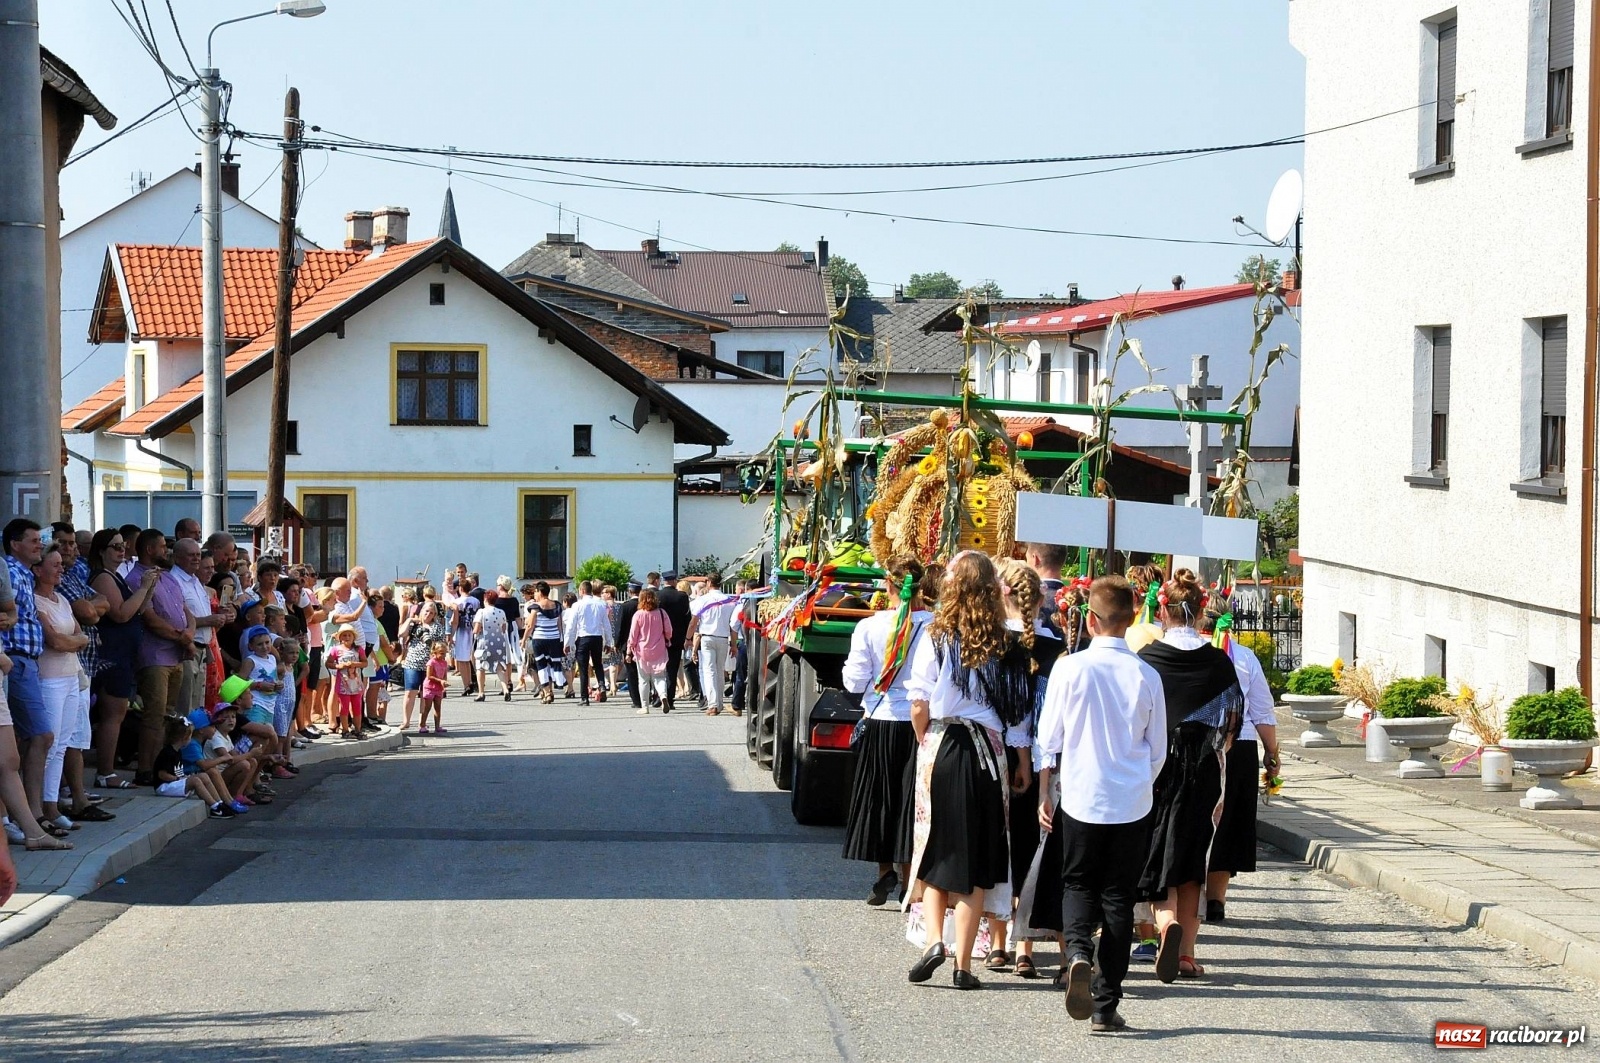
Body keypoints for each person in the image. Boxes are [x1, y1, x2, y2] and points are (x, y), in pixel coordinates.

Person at [1036, 575, 1167, 1033]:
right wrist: (1137, 784)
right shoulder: (1147, 675)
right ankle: (1106, 1002)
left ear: (1090, 620)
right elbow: (1158, 749)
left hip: (1080, 794)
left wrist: (1045, 791)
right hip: (1130, 800)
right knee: (1118, 899)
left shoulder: (1069, 669)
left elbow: (1047, 740)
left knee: (1077, 885)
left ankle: (1076, 953)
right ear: (1131, 621)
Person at [904, 551, 1035, 991]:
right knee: (977, 856)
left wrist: (925, 739)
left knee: (938, 845)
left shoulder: (936, 635)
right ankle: (963, 965)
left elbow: (918, 701)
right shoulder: (1006, 642)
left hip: (944, 746)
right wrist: (1021, 763)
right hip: (988, 754)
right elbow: (1017, 714)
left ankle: (934, 941)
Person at [1136, 569, 1243, 983]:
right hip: (1202, 768)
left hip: (1158, 765)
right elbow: (1231, 724)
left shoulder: (1147, 659)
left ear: (1162, 608)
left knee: (1157, 850)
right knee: (1193, 859)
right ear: (1202, 611)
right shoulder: (1218, 661)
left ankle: (1164, 927)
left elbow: (1136, 717)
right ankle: (1187, 954)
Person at [841, 559, 937, 907]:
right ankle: (911, 875)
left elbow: (853, 681)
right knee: (915, 802)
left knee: (881, 799)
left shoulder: (869, 626)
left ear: (888, 585)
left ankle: (884, 872)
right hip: (923, 723)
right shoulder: (936, 627)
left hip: (881, 717)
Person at [1198, 603, 1280, 923]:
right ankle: (1216, 900)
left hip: (1198, 743)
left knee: (1198, 817)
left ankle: (1188, 893)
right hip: (1240, 746)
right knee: (1228, 823)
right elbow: (1262, 710)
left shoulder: (1186, 650)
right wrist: (1272, 753)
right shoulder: (1243, 657)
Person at [86, 528, 156, 788]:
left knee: (118, 713)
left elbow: (137, 609)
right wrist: (144, 586)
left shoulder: (117, 576)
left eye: (123, 546)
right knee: (112, 714)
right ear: (102, 551)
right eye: (115, 546)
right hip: (111, 654)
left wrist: (148, 589)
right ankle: (105, 771)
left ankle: (107, 769)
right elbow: (122, 614)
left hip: (123, 654)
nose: (121, 550)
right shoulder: (103, 577)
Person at [32, 544, 93, 834]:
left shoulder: (62, 600)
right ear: (38, 569)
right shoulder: (35, 601)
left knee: (62, 744)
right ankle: (38, 806)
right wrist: (76, 641)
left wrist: (75, 641)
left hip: (70, 676)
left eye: (60, 564)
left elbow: (80, 634)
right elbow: (55, 642)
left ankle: (51, 803)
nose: (60, 569)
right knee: (50, 742)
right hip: (49, 678)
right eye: (54, 564)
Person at [3, 519, 56, 827]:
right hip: (16, 661)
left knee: (23, 740)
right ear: (15, 544)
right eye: (34, 540)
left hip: (27, 663)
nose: (40, 544)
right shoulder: (9, 572)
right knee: (40, 735)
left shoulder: (22, 574)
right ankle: (33, 815)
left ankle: (18, 815)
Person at [131, 528, 194, 782]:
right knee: (154, 716)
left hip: (176, 655)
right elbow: (150, 619)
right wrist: (182, 637)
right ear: (149, 550)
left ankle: (165, 768)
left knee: (169, 716)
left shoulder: (169, 578)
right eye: (162, 547)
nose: (166, 551)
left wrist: (188, 632)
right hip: (155, 656)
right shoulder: (137, 578)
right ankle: (145, 769)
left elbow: (184, 609)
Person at [152, 715, 234, 818]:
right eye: (190, 736)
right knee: (195, 781)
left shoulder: (178, 751)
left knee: (203, 776)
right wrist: (179, 778)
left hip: (174, 784)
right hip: (164, 786)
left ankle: (219, 803)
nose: (191, 739)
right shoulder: (167, 753)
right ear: (184, 738)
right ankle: (214, 808)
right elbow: (162, 775)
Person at [686, 576, 739, 717]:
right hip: (723, 638)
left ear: (709, 583)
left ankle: (713, 704)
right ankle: (719, 703)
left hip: (707, 637)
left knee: (709, 671)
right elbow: (733, 625)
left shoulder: (702, 600)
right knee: (720, 670)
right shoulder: (730, 601)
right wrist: (734, 645)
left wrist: (688, 638)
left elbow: (693, 622)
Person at [564, 581, 613, 705]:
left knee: (583, 668)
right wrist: (608, 642)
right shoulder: (601, 604)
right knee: (598, 664)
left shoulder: (577, 605)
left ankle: (584, 697)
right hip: (597, 637)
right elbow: (606, 624)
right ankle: (601, 685)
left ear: (582, 590)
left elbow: (571, 626)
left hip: (583, 638)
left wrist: (567, 643)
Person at [625, 588, 673, 715]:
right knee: (659, 677)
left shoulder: (638, 615)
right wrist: (666, 638)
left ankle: (645, 707)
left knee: (643, 680)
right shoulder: (662, 613)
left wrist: (629, 650)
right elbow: (669, 631)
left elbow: (633, 635)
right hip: (659, 649)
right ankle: (663, 696)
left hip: (642, 651)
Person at [400, 599, 446, 731]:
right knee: (410, 691)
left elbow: (441, 645)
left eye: (431, 613)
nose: (428, 614)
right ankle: (406, 721)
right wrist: (409, 620)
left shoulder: (437, 627)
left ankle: (422, 723)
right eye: (426, 611)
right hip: (413, 662)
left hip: (429, 664)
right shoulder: (415, 624)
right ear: (422, 611)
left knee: (425, 694)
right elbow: (401, 634)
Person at [523, 582, 565, 704]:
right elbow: (560, 624)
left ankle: (547, 692)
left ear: (540, 592)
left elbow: (530, 625)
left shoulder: (535, 607)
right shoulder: (557, 605)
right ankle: (550, 690)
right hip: (554, 639)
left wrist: (524, 639)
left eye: (535, 592)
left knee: (541, 666)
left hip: (540, 639)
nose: (534, 594)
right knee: (552, 665)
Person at [655, 573, 691, 713]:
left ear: (664, 581)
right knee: (672, 670)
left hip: (659, 638)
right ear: (675, 581)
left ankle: (659, 696)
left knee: (658, 669)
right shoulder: (682, 597)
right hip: (676, 639)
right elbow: (687, 618)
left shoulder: (658, 596)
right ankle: (669, 699)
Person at [327, 625, 367, 739]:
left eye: (349, 635)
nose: (347, 637)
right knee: (344, 706)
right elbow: (329, 663)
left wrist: (354, 664)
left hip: (356, 683)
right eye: (344, 635)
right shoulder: (335, 650)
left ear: (354, 637)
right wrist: (339, 666)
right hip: (343, 683)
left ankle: (358, 729)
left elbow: (364, 663)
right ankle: (345, 729)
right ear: (340, 637)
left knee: (357, 706)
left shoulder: (358, 649)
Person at [473, 589, 513, 702]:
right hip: (499, 643)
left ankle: (481, 693)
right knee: (499, 668)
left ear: (485, 599)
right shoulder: (501, 612)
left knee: (480, 667)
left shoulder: (481, 612)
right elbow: (504, 628)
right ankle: (505, 689)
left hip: (484, 642)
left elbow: (477, 629)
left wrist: (474, 632)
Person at [419, 640, 451, 734]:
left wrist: (444, 682)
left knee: (438, 707)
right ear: (434, 652)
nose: (443, 656)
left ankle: (437, 726)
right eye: (441, 653)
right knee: (427, 707)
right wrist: (440, 681)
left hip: (438, 688)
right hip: (429, 687)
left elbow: (444, 675)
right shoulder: (431, 662)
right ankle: (422, 725)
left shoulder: (444, 663)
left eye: (445, 654)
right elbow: (429, 676)